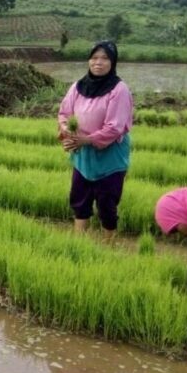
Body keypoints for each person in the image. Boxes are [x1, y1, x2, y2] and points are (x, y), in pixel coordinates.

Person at [57, 40, 133, 233]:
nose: (98, 62)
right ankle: (79, 241)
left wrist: (87, 139)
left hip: (109, 157)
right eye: (94, 57)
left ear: (113, 62)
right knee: (79, 199)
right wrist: (67, 133)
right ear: (89, 60)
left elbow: (114, 127)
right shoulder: (77, 86)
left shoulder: (119, 89)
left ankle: (109, 245)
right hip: (82, 156)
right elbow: (64, 113)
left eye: (105, 58)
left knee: (107, 204)